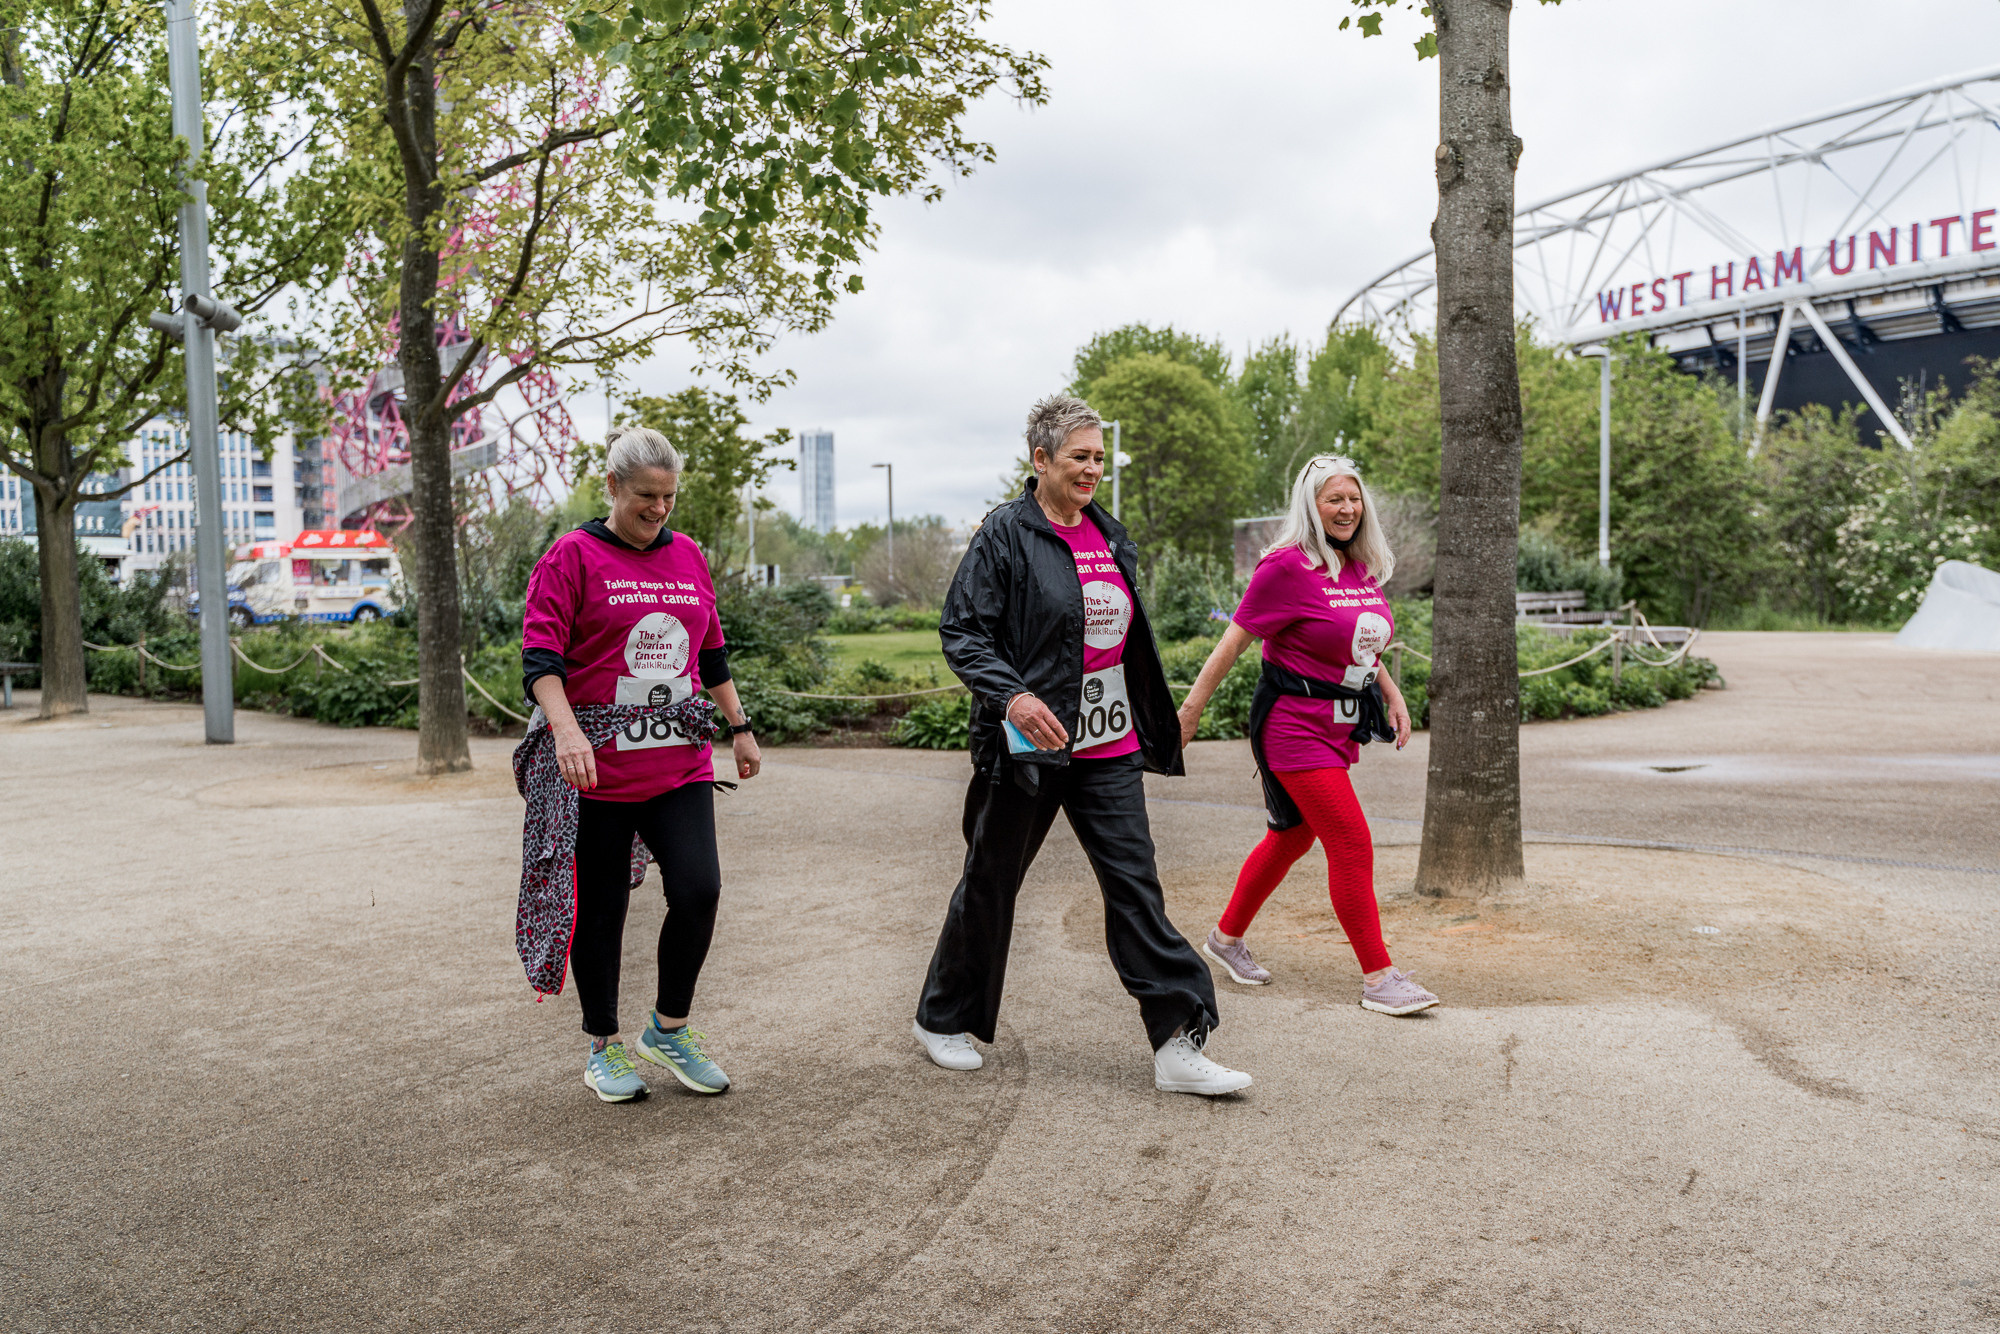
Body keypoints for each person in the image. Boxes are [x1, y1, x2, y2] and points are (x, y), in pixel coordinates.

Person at [912, 394, 1252, 1096]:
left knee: (1136, 889)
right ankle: (941, 1017)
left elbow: (1121, 641)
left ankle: (1178, 1044)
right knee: (990, 881)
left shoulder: (1109, 534)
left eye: (1099, 457)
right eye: (1079, 457)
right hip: (1025, 748)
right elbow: (963, 633)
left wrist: (1161, 713)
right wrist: (1016, 697)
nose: (1093, 468)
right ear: (1040, 460)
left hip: (1108, 746)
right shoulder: (1005, 534)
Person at [513, 425, 762, 1103]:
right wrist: (566, 734)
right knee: (600, 911)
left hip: (676, 762)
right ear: (613, 486)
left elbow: (709, 651)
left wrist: (738, 726)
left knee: (699, 889)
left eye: (669, 498)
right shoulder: (572, 556)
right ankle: (604, 1046)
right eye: (646, 496)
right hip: (595, 771)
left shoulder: (688, 556)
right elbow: (541, 660)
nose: (658, 509)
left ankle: (670, 1029)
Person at [1174, 455, 1440, 1016]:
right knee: (1351, 841)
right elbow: (1233, 643)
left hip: (1339, 725)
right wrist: (1190, 711)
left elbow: (1363, 644)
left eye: (1353, 498)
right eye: (1333, 499)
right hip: (1292, 727)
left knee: (1292, 838)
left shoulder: (1358, 566)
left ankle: (1223, 941)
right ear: (1310, 506)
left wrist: (1391, 694)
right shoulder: (1285, 568)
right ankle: (1380, 978)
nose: (1347, 508)